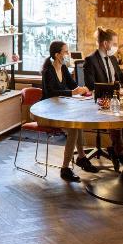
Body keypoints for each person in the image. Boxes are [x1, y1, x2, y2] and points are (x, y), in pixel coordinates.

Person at [41, 41, 99, 182]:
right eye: (66, 52)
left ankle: (81, 158)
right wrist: (72, 93)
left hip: (61, 109)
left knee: (77, 123)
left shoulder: (64, 68)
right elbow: (50, 93)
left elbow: (73, 86)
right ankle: (65, 168)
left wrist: (84, 89)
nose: (68, 54)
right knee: (73, 129)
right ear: (57, 55)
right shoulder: (48, 71)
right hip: (48, 112)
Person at [83, 26, 123, 172]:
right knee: (117, 118)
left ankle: (118, 151)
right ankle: (120, 153)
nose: (116, 47)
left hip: (115, 99)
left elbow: (122, 77)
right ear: (105, 43)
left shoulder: (112, 59)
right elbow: (90, 85)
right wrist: (113, 89)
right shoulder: (90, 60)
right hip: (100, 102)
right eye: (114, 43)